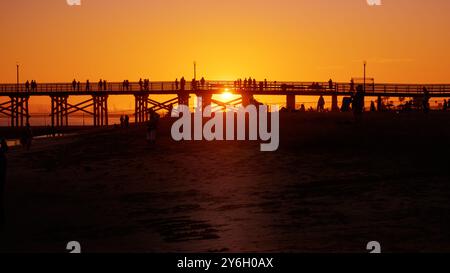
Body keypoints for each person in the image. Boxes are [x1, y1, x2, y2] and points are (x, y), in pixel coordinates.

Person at [0, 138, 8, 229]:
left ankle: (2, 219)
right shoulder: (3, 157)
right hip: (2, 179)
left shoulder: (2, 157)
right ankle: (2, 219)